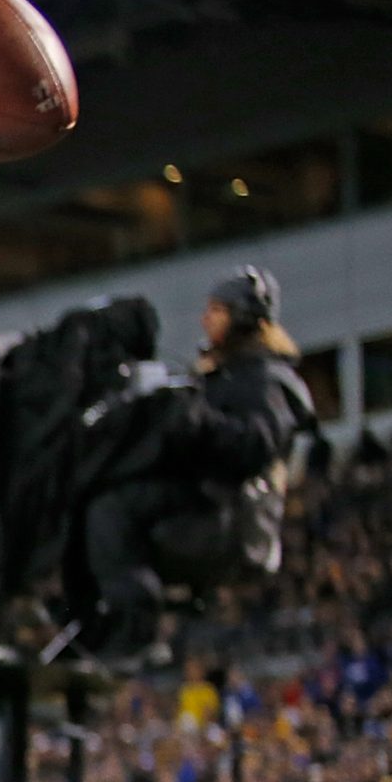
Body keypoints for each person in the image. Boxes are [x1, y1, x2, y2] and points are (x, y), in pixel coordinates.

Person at [77, 265, 312, 660]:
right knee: (95, 500)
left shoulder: (267, 380)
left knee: (111, 511)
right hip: (204, 503)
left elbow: (252, 448)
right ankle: (90, 621)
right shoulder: (222, 377)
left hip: (226, 518)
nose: (205, 319)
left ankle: (136, 626)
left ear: (241, 316)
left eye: (217, 310)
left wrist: (188, 414)